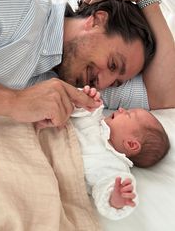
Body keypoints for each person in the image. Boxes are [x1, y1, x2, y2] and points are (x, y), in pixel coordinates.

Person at [0, 0, 173, 186]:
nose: (104, 83)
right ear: (98, 20)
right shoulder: (13, 1)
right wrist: (14, 102)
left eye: (117, 82)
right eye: (113, 64)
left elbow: (166, 95)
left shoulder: (74, 86)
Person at [71, 86, 170, 220]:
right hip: (51, 138)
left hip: (62, 167)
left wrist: (116, 199)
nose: (121, 109)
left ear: (131, 144)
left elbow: (104, 190)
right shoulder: (95, 117)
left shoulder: (115, 169)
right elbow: (73, 110)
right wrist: (84, 99)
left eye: (128, 114)